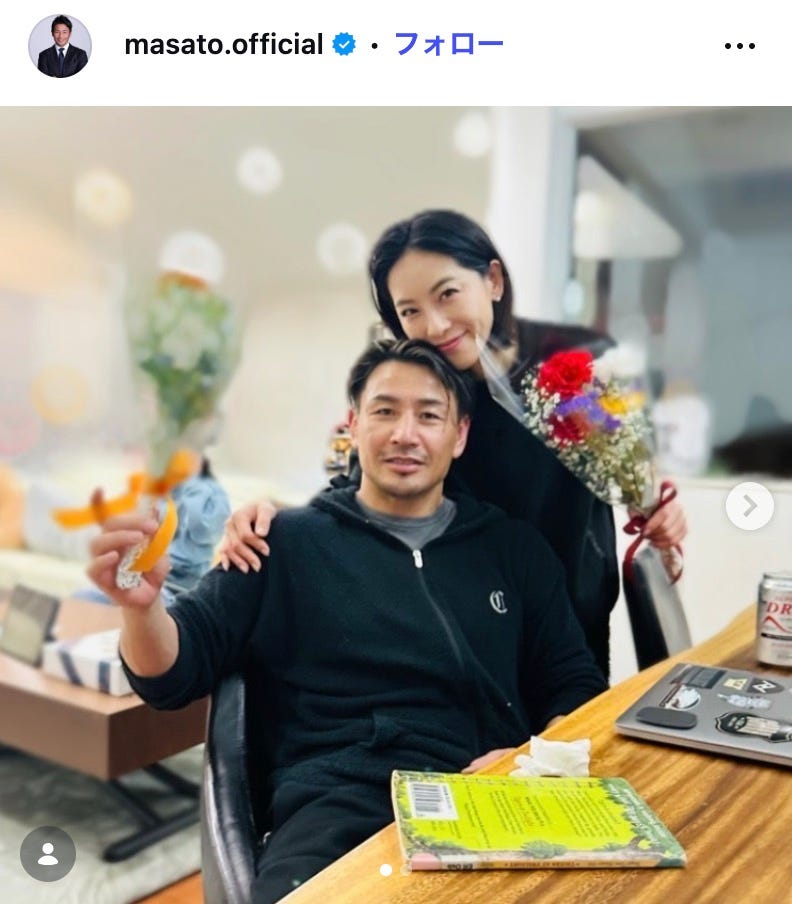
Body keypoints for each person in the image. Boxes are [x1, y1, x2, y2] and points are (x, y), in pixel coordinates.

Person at [88, 339, 606, 904]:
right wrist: (140, 608)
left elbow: (574, 685)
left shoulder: (513, 549)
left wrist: (529, 761)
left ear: (459, 436)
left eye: (428, 416)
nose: (405, 434)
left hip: (493, 798)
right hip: (342, 811)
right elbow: (172, 672)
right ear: (354, 425)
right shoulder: (281, 543)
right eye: (385, 411)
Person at [220, 210, 687, 679]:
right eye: (410, 312)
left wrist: (660, 510)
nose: (436, 326)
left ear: (493, 280)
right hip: (465, 631)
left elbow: (630, 467)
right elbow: (360, 490)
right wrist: (274, 522)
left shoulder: (580, 363)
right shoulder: (421, 389)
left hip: (568, 624)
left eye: (447, 294)